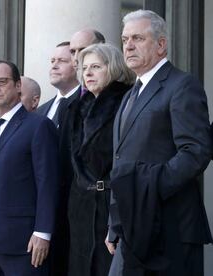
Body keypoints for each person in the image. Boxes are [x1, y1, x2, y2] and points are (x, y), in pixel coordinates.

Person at [106, 10, 212, 276]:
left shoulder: (182, 85)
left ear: (161, 45)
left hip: (170, 229)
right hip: (133, 229)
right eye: (125, 39)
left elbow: (196, 152)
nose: (128, 45)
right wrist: (116, 222)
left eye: (138, 38)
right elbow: (121, 162)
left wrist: (147, 194)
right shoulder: (131, 93)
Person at [0, 60, 59, 275]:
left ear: (18, 86)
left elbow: (48, 184)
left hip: (24, 244)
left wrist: (43, 232)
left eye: (1, 81)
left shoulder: (38, 126)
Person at [61, 43, 134, 276]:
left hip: (113, 203)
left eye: (96, 67)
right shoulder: (77, 108)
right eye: (85, 68)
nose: (88, 73)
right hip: (81, 204)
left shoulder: (127, 101)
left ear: (112, 68)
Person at [37, 42, 78, 128]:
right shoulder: (40, 111)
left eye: (62, 61)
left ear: (77, 65)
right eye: (52, 61)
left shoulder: (87, 103)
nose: (54, 66)